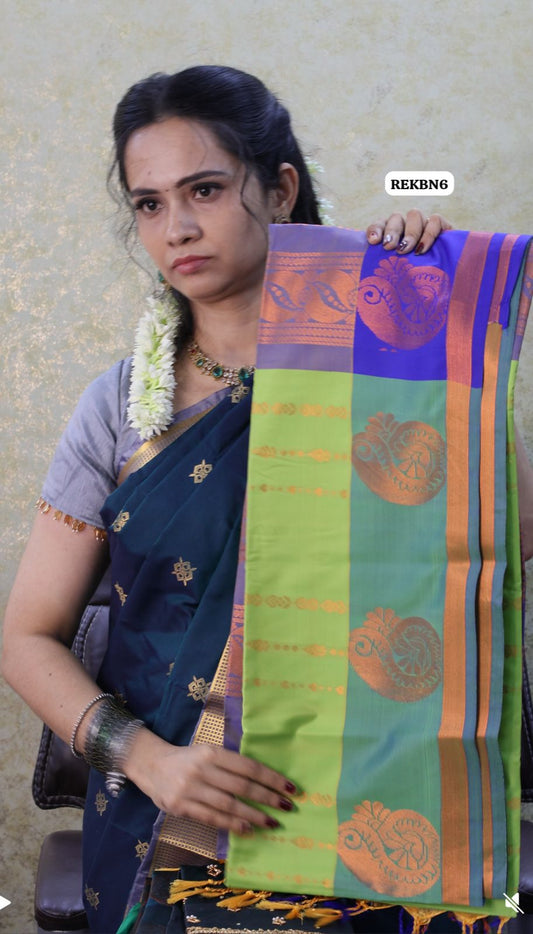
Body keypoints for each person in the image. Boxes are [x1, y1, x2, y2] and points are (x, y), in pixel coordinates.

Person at [2, 65, 531, 934]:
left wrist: (434, 340)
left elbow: (513, 532)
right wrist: (148, 760)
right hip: (177, 813)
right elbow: (25, 637)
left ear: (279, 189)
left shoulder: (388, 369)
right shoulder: (120, 406)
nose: (177, 227)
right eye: (148, 204)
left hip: (379, 804)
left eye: (204, 189)